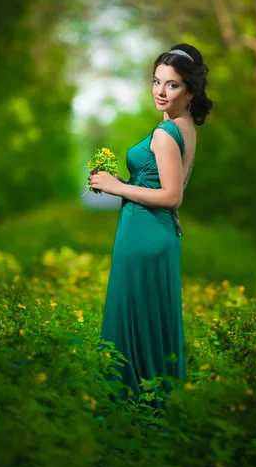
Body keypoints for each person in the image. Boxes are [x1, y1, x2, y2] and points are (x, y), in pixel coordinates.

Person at [89, 44, 213, 410]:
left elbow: (172, 196)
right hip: (157, 234)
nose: (160, 91)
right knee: (149, 322)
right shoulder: (184, 126)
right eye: (156, 82)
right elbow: (157, 181)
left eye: (171, 85)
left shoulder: (165, 133)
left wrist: (115, 186)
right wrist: (124, 183)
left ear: (190, 90)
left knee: (132, 320)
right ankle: (152, 404)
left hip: (145, 233)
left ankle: (129, 407)